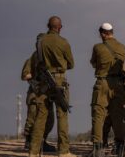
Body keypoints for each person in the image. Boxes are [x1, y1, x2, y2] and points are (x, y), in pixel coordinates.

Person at [29, 16, 75, 157]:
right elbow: (71, 64)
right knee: (62, 116)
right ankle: (64, 151)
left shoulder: (40, 42)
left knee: (40, 117)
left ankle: (34, 151)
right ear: (59, 27)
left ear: (48, 26)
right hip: (59, 82)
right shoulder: (63, 42)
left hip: (44, 84)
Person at [88, 23, 125, 157]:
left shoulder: (98, 47)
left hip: (103, 82)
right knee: (118, 116)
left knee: (98, 115)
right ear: (112, 32)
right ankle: (120, 147)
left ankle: (98, 148)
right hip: (119, 84)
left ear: (102, 33)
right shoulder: (122, 47)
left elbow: (94, 63)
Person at [21, 46, 55, 152]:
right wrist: (36, 75)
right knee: (32, 119)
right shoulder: (32, 58)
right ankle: (29, 141)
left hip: (46, 95)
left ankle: (42, 141)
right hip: (34, 94)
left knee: (49, 120)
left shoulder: (51, 57)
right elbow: (24, 75)